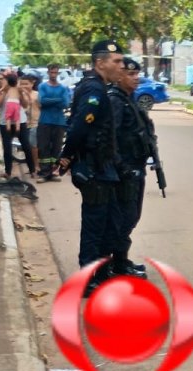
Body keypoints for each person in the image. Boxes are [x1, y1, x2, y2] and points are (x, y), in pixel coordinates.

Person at [59, 39, 125, 297]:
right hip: (93, 168)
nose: (121, 66)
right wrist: (67, 156)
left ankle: (101, 273)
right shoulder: (93, 90)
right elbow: (79, 126)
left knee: (109, 223)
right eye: (116, 61)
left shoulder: (98, 87)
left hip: (102, 167)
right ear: (100, 63)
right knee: (95, 226)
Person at [106, 57, 152, 279]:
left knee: (131, 216)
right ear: (119, 76)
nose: (136, 78)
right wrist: (122, 168)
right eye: (131, 74)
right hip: (125, 170)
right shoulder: (116, 100)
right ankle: (118, 263)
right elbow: (110, 139)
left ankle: (121, 260)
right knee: (125, 217)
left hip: (136, 167)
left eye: (137, 74)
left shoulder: (128, 99)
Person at [0, 73, 34, 178]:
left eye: (4, 80)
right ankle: (8, 172)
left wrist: (21, 94)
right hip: (5, 122)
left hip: (20, 121)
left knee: (26, 146)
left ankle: (32, 170)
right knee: (7, 147)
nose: (4, 82)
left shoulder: (18, 90)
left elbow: (25, 104)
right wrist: (4, 91)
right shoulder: (0, 91)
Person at [37, 64, 72, 181]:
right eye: (51, 72)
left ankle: (53, 172)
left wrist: (50, 101)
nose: (53, 75)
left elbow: (66, 103)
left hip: (59, 122)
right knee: (43, 147)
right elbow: (42, 101)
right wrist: (58, 100)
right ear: (48, 73)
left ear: (58, 73)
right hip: (45, 120)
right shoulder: (42, 86)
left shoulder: (63, 88)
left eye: (55, 72)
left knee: (56, 148)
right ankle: (44, 173)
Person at [21, 75, 41, 178]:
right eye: (22, 84)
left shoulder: (37, 94)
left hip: (35, 123)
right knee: (27, 146)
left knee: (34, 146)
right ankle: (32, 166)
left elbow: (41, 107)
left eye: (26, 84)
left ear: (32, 84)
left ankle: (36, 166)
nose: (24, 86)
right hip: (23, 123)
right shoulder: (20, 95)